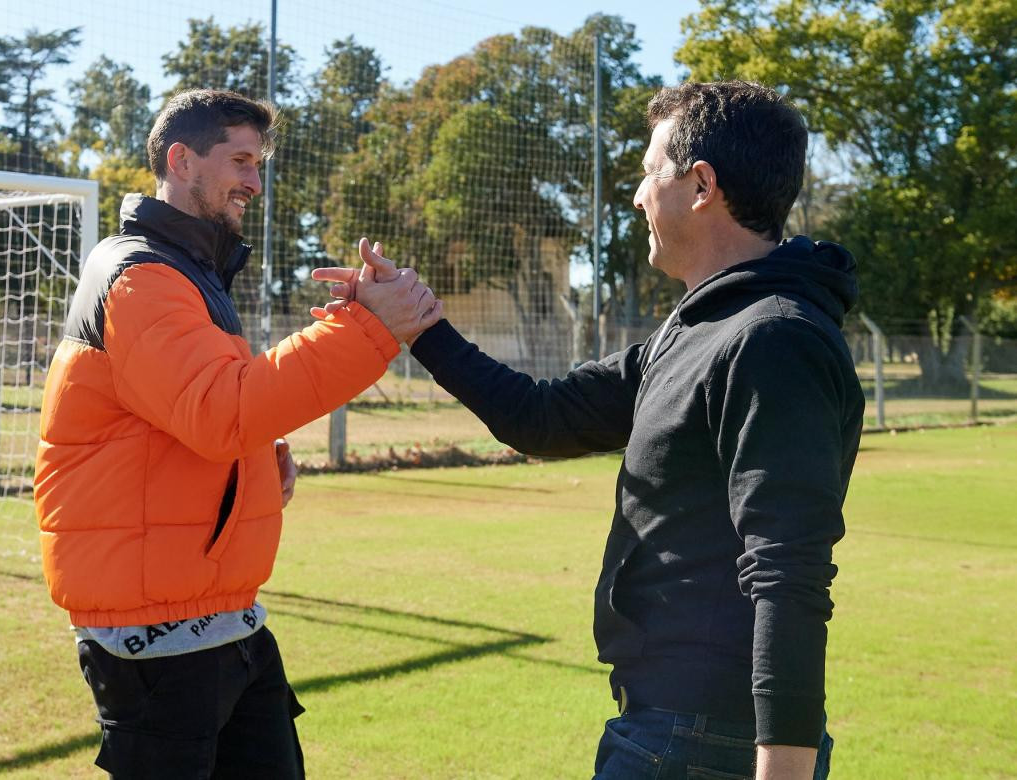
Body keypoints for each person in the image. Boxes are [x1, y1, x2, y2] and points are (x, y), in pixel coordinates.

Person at [315, 81, 862, 779]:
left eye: (646, 171)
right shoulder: (699, 328)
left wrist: (783, 767)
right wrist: (417, 323)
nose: (637, 197)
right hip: (663, 726)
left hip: (707, 743)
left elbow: (788, 570)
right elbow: (541, 418)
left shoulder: (774, 339)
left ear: (700, 185)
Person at [34, 88, 440, 778]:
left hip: (228, 623)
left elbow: (196, 424)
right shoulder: (140, 277)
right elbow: (222, 413)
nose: (256, 180)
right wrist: (371, 326)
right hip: (157, 645)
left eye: (260, 163)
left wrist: (254, 469)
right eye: (242, 161)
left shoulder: (189, 273)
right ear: (181, 160)